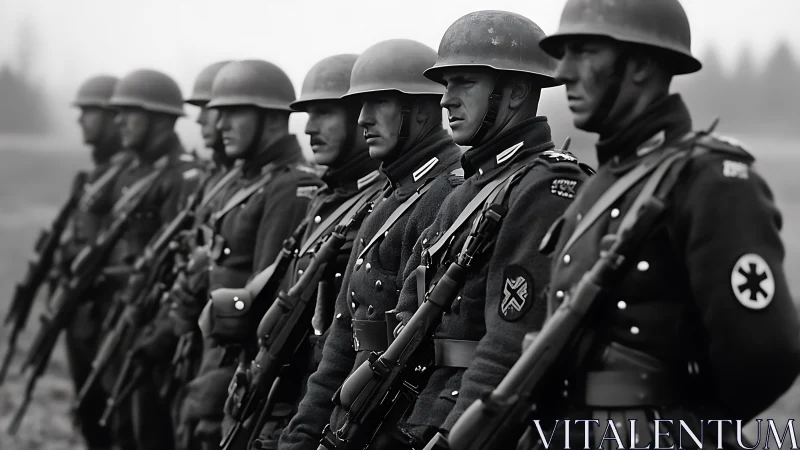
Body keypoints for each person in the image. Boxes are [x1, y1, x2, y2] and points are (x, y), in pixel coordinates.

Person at [513, 0, 800, 447]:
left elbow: (767, 355)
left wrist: (679, 428)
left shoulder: (710, 181)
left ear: (642, 64)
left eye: (584, 51)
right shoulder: (600, 182)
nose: (563, 71)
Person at [388, 10, 592, 449]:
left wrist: (452, 436)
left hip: (471, 424)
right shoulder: (468, 187)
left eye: (464, 82)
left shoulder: (545, 187)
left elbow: (509, 343)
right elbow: (410, 305)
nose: (446, 100)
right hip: (423, 410)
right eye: (446, 84)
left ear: (515, 92)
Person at [278, 39, 464, 450]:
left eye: (377, 104)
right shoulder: (391, 197)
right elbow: (342, 340)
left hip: (389, 426)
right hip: (351, 418)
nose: (362, 120)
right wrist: (304, 433)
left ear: (418, 110)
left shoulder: (447, 196)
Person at [235, 53, 384, 450]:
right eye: (307, 115)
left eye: (325, 114)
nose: (310, 129)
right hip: (283, 394)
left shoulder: (378, 203)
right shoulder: (324, 199)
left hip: (325, 406)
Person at [175, 59, 324, 450]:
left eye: (232, 113)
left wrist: (217, 389)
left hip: (233, 374)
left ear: (272, 119)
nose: (218, 124)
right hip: (211, 359)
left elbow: (263, 309)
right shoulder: (248, 180)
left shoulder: (288, 187)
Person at [103, 68, 205, 450]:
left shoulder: (184, 177)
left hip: (160, 330)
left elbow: (175, 262)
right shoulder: (132, 171)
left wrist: (158, 334)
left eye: (129, 112)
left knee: (149, 433)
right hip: (130, 318)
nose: (119, 122)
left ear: (160, 118)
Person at [63, 74, 134, 450]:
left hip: (111, 313)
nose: (81, 120)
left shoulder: (128, 175)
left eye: (90, 111)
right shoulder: (97, 173)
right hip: (86, 310)